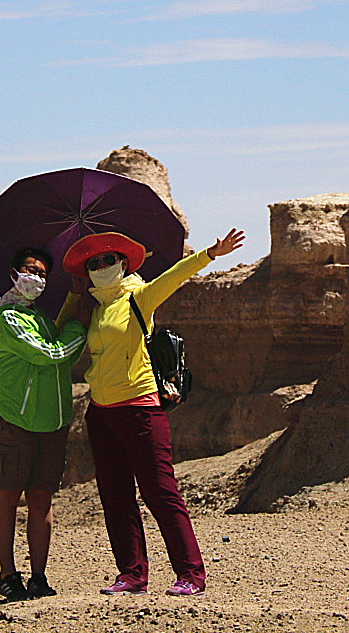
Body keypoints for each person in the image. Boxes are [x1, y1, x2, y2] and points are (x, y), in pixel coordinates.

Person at [57, 226, 245, 596]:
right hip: (100, 411)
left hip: (140, 409)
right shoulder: (95, 309)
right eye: (93, 263)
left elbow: (173, 277)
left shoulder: (137, 298)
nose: (101, 266)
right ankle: (131, 574)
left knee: (160, 492)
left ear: (124, 264)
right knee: (115, 495)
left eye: (108, 260)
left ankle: (191, 574)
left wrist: (210, 253)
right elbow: (62, 331)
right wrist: (73, 296)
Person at [0, 246, 86, 600]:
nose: (37, 278)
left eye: (43, 274)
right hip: (18, 419)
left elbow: (51, 333)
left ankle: (39, 577)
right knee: (8, 494)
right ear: (13, 274)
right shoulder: (9, 319)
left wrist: (73, 297)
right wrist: (80, 328)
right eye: (30, 270)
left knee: (42, 499)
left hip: (52, 422)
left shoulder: (37, 317)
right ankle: (8, 574)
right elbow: (51, 352)